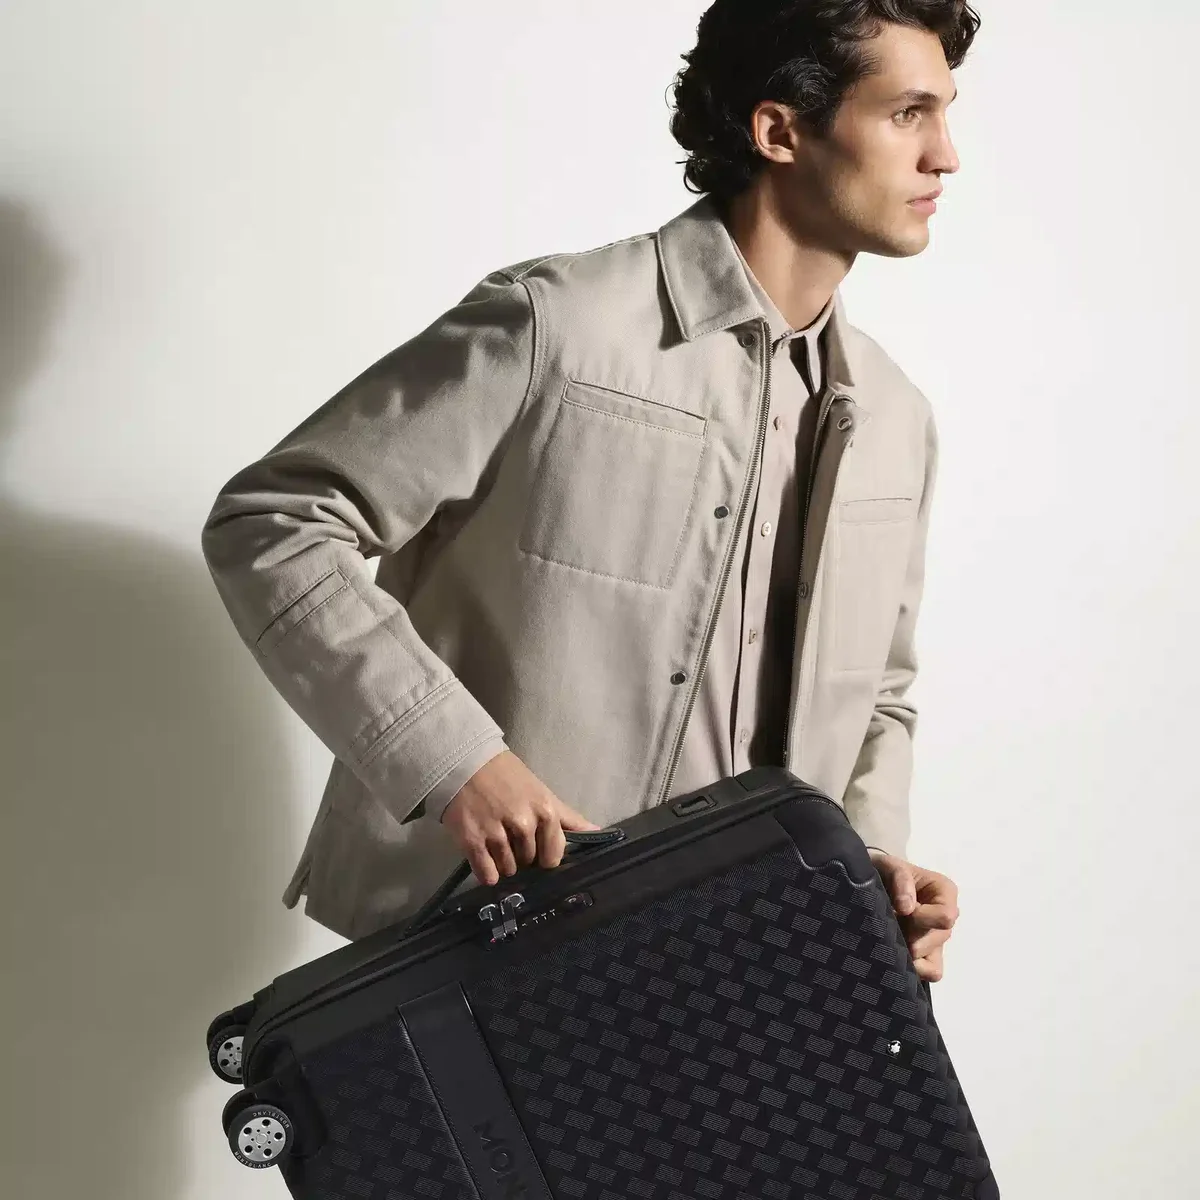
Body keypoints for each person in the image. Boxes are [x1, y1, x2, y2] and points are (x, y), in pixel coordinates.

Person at [201, 0, 981, 984]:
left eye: (945, 114)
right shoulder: (558, 327)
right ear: (779, 130)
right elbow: (276, 525)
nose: (947, 156)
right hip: (496, 953)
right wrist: (455, 760)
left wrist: (869, 867)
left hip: (750, 979)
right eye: (908, 113)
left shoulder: (896, 419)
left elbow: (881, 696)